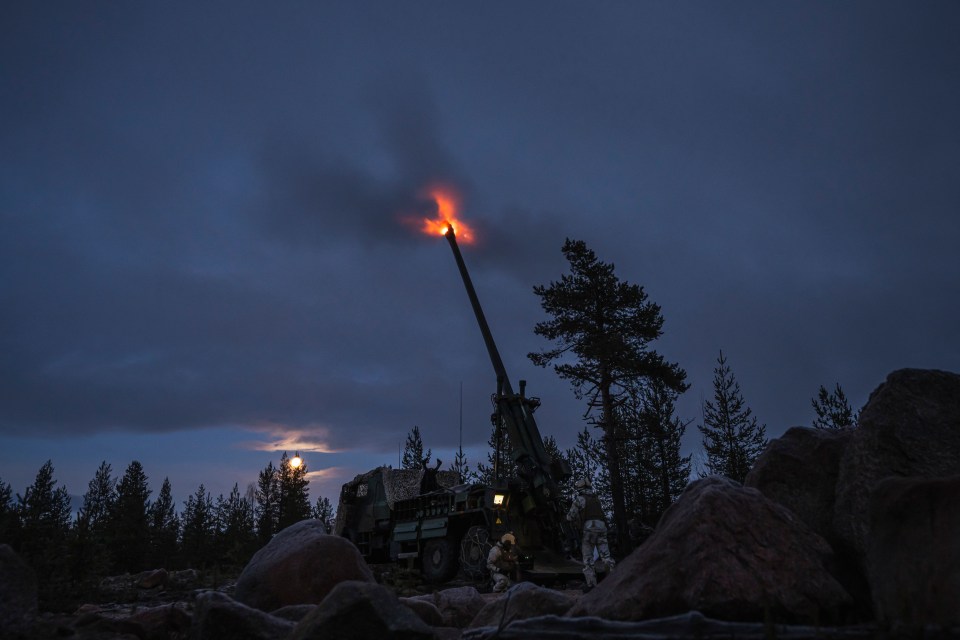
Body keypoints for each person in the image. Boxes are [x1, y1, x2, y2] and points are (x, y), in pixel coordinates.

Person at [566, 477, 615, 591]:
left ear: (580, 488)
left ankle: (591, 584)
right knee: (606, 556)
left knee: (588, 559)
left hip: (589, 528)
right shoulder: (596, 499)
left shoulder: (580, 499)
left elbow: (570, 516)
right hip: (602, 528)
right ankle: (613, 579)